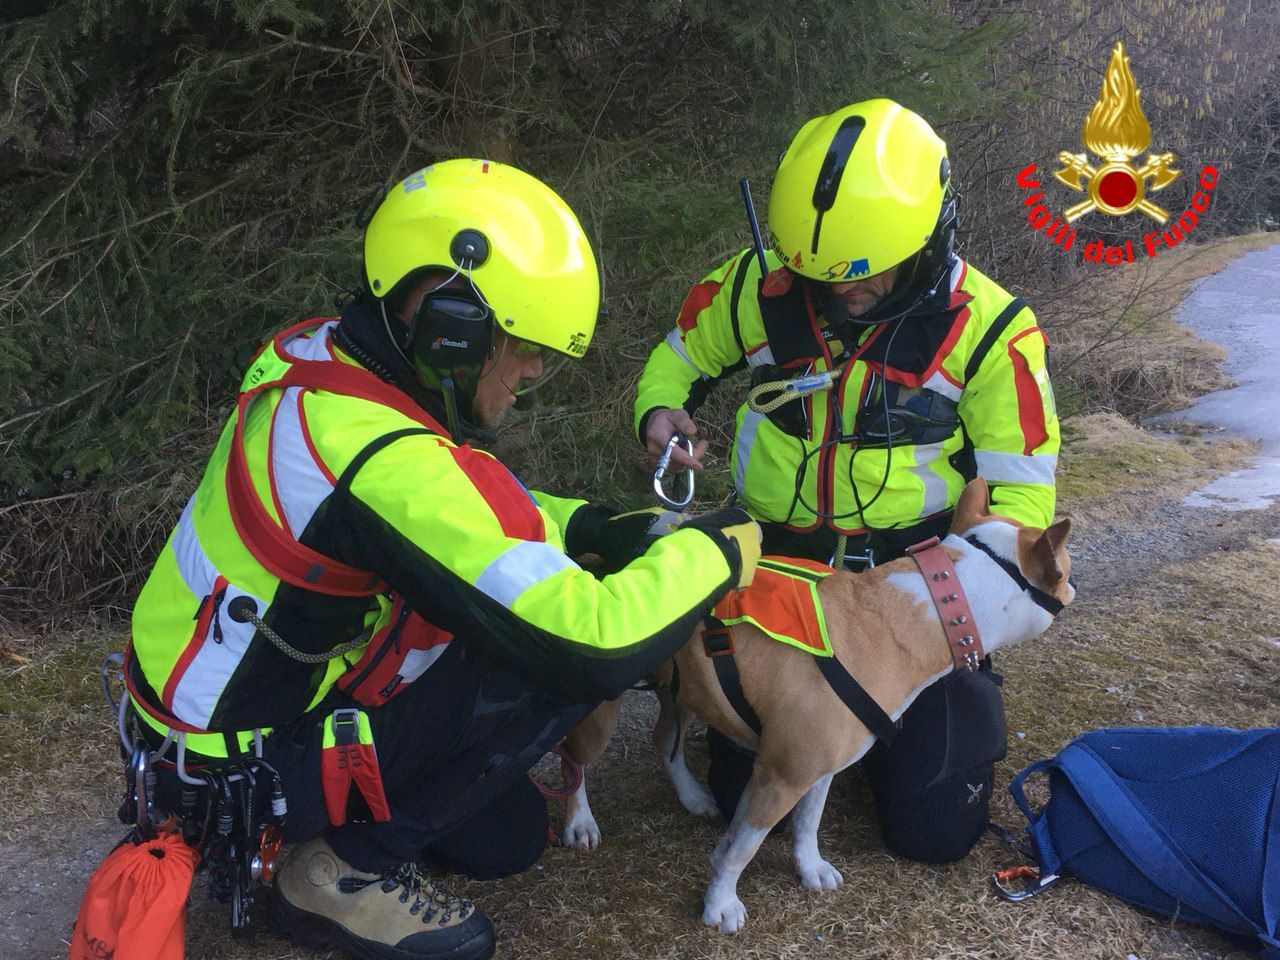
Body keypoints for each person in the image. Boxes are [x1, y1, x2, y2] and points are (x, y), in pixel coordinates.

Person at [124, 159, 761, 960]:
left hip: (203, 732)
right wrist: (716, 549)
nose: (534, 371)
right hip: (238, 774)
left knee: (509, 839)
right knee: (551, 655)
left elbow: (467, 513)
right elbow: (594, 642)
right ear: (451, 324)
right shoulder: (378, 458)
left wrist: (596, 525)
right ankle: (336, 873)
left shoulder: (333, 368)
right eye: (526, 345)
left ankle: (351, 822)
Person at [634, 99, 1060, 864]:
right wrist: (660, 412)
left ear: (930, 239)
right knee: (744, 797)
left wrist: (973, 564)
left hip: (910, 589)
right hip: (776, 569)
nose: (838, 293)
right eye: (817, 275)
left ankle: (872, 740)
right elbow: (680, 354)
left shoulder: (996, 329)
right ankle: (833, 736)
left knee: (934, 836)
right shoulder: (759, 284)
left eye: (862, 277)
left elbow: (1024, 497)